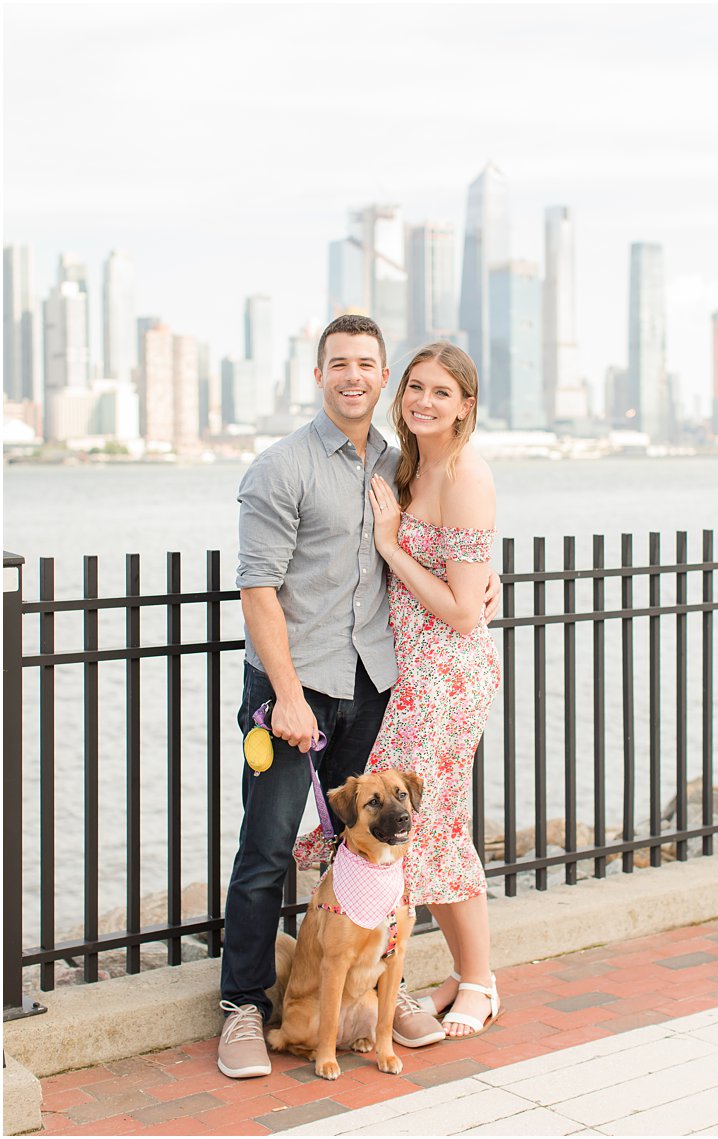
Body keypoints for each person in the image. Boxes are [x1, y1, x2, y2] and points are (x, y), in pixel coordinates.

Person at [218, 317, 497, 1078]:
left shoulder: (394, 462)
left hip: (371, 687)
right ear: (319, 375)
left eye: (367, 364)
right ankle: (243, 1002)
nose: (353, 376)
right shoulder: (281, 468)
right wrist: (285, 695)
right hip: (296, 691)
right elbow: (258, 592)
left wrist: (479, 591)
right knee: (269, 847)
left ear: (382, 380)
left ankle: (378, 988)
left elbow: (446, 553)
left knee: (363, 848)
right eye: (338, 363)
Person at [294, 341, 502, 1037]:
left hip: (444, 678)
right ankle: (439, 976)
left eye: (441, 392)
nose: (423, 401)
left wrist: (391, 546)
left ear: (466, 405)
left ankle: (480, 981)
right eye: (415, 387)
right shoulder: (410, 463)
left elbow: (465, 609)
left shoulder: (467, 475)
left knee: (435, 827)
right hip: (407, 673)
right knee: (420, 829)